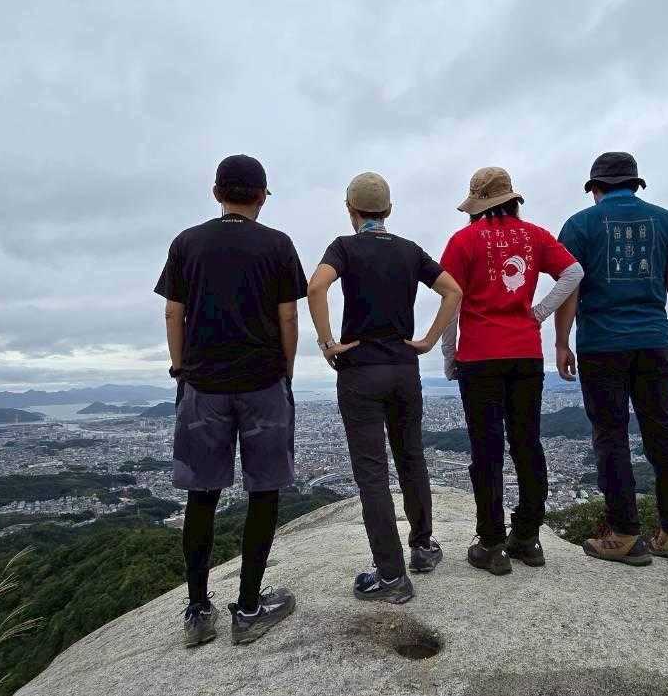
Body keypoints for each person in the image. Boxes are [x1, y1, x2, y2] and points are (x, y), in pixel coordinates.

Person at [154, 154, 306, 647]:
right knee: (264, 491)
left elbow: (173, 313)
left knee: (202, 496)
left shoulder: (187, 243)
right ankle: (249, 607)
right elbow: (288, 318)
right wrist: (285, 371)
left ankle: (198, 610)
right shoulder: (278, 244)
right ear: (262, 196)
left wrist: (180, 366)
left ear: (216, 193)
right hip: (263, 384)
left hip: (203, 386)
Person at [306, 172, 463, 604]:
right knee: (412, 457)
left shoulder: (344, 247)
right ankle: (423, 547)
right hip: (403, 369)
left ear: (350, 210)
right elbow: (452, 291)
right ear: (389, 210)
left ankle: (391, 575)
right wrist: (428, 340)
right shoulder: (409, 250)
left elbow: (316, 286)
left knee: (372, 473)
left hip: (360, 371)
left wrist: (328, 343)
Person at [554, 151, 668, 567]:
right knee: (663, 434)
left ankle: (623, 534)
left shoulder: (580, 225)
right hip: (653, 341)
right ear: (636, 184)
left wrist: (562, 342)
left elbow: (569, 289)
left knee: (610, 435)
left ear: (595, 189)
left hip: (601, 344)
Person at [440, 166, 583, 576]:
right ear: (511, 200)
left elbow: (451, 300)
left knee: (486, 451)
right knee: (527, 444)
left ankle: (491, 543)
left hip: (480, 356)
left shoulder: (463, 240)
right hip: (525, 353)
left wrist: (450, 354)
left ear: (477, 205)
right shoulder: (534, 235)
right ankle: (527, 537)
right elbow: (573, 272)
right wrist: (537, 312)